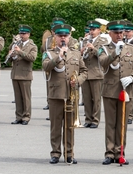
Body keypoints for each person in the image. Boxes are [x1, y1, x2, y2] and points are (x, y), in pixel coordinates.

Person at [42, 24, 88, 164]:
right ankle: (55, 153)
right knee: (56, 126)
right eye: (60, 36)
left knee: (69, 127)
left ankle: (69, 153)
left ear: (69, 37)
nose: (63, 38)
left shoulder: (76, 53)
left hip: (71, 94)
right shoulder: (49, 53)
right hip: (56, 94)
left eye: (65, 36)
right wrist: (59, 56)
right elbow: (46, 66)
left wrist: (78, 81)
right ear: (55, 37)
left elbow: (84, 71)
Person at [98, 20, 133, 165]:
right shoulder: (104, 48)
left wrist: (132, 77)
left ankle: (120, 152)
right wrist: (114, 53)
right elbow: (103, 63)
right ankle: (109, 153)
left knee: (122, 123)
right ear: (110, 33)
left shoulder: (131, 48)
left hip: (125, 90)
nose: (119, 35)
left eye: (121, 32)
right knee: (111, 123)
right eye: (116, 33)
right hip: (110, 90)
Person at [80, 20, 109, 128]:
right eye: (90, 30)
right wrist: (82, 51)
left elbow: (103, 55)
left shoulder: (103, 41)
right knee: (86, 99)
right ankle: (88, 119)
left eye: (93, 30)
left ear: (99, 30)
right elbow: (80, 56)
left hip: (97, 73)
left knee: (96, 99)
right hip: (85, 73)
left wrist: (93, 48)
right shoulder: (85, 40)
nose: (91, 32)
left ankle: (95, 120)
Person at [7, 25, 38, 125]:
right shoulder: (16, 44)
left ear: (28, 34)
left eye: (24, 33)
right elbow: (10, 56)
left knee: (26, 97)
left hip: (25, 74)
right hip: (15, 73)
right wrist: (11, 53)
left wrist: (20, 51)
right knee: (17, 97)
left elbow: (32, 58)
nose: (21, 35)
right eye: (21, 33)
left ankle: (26, 117)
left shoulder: (32, 46)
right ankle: (18, 116)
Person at [41, 17, 66, 111]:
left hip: (61, 64)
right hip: (51, 62)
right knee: (49, 85)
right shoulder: (48, 39)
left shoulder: (66, 38)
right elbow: (44, 50)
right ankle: (50, 103)